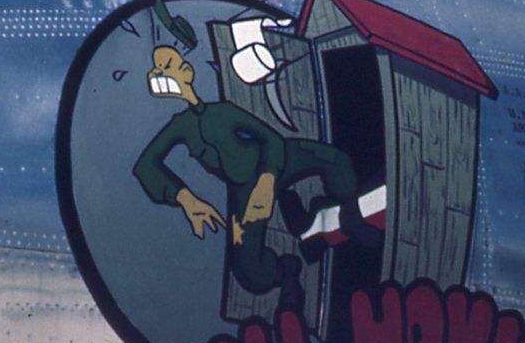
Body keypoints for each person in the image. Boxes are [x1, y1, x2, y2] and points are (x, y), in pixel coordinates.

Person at [132, 45, 371, 305]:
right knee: (248, 272)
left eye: (166, 65)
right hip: (243, 187)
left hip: (276, 161)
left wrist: (267, 182)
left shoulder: (223, 111)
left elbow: (271, 139)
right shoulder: (181, 126)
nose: (160, 72)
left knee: (334, 159)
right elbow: (145, 165)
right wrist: (186, 199)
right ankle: (287, 271)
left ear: (185, 69)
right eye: (157, 68)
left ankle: (345, 214)